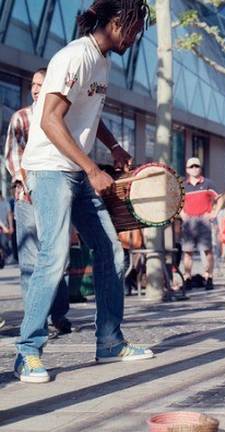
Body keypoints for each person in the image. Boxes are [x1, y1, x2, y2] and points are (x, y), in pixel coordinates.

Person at [16, 0, 153, 384]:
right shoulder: (75, 56)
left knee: (111, 252)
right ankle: (27, 352)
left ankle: (109, 341)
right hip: (52, 168)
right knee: (54, 256)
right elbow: (49, 119)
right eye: (133, 27)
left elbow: (88, 112)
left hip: (78, 169)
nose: (136, 36)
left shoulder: (101, 62)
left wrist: (112, 146)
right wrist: (93, 167)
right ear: (114, 22)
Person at [4, 67, 73, 338]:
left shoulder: (64, 117)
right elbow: (12, 156)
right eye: (33, 84)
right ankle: (36, 319)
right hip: (27, 197)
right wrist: (27, 182)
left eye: (40, 84)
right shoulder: (22, 117)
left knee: (57, 256)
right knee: (31, 260)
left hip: (57, 195)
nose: (34, 88)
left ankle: (59, 313)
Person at [180, 157, 221, 291]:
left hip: (203, 221)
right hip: (188, 222)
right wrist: (182, 215)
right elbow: (177, 203)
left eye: (196, 166)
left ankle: (209, 277)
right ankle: (187, 278)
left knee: (207, 251)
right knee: (187, 252)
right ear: (187, 170)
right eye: (191, 167)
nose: (194, 169)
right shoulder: (183, 186)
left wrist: (214, 213)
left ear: (200, 168)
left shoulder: (208, 184)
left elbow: (220, 199)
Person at [0, 192, 13, 266]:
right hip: (3, 228)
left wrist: (11, 226)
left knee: (4, 245)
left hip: (4, 230)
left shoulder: (6, 203)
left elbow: (9, 215)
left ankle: (2, 259)